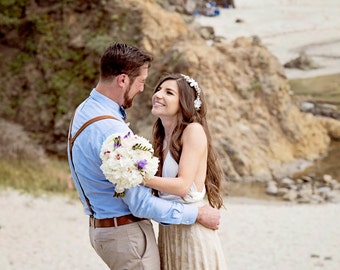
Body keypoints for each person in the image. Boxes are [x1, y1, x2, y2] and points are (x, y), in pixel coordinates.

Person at [67, 42, 221, 270]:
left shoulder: (84, 111)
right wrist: (196, 214)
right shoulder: (114, 130)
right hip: (134, 233)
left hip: (152, 231)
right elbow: (139, 203)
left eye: (168, 92)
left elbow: (179, 184)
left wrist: (135, 176)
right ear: (122, 80)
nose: (145, 91)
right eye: (141, 83)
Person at [145, 73, 227, 269]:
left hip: (192, 232)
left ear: (183, 103)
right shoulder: (161, 137)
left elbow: (182, 186)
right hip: (170, 229)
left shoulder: (193, 131)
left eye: (169, 92)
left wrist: (140, 177)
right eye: (158, 89)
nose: (158, 95)